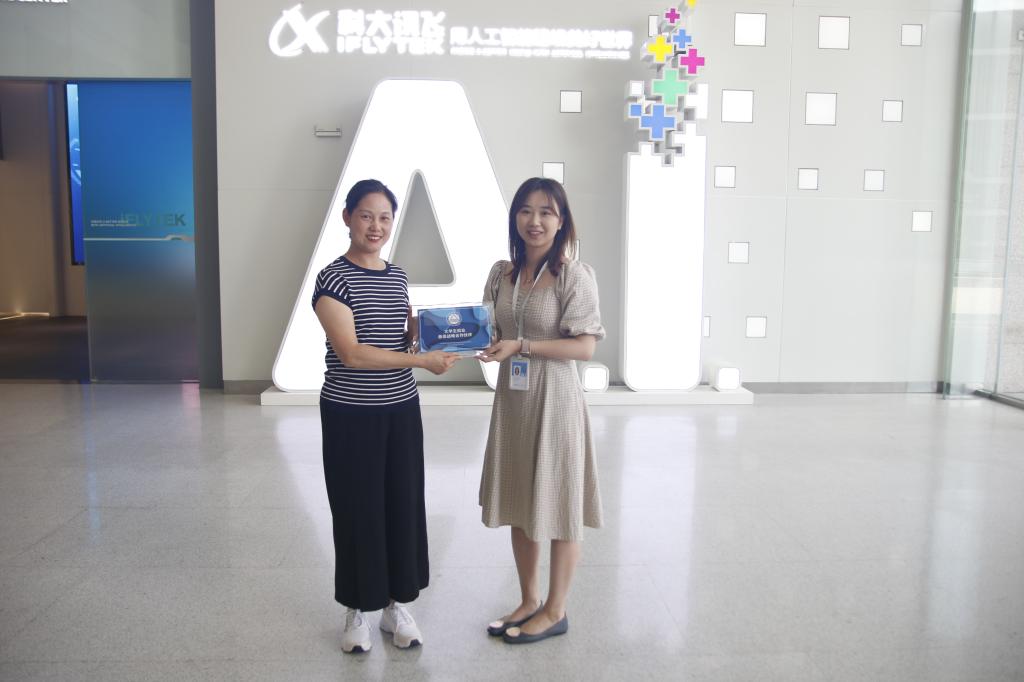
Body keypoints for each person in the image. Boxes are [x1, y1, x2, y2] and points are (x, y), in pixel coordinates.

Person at [313, 178, 459, 654]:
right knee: (358, 509)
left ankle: (397, 604)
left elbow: (397, 338)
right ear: (347, 218)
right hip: (351, 415)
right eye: (366, 216)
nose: (375, 226)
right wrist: (421, 360)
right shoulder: (332, 279)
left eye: (384, 218)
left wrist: (424, 333)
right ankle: (358, 608)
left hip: (400, 410)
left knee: (402, 504)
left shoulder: (396, 276)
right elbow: (352, 353)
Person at [477, 177, 605, 644]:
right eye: (526, 210)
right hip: (514, 402)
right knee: (519, 499)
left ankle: (555, 610)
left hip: (556, 401)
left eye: (546, 212)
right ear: (515, 216)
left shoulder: (573, 275)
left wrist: (523, 345)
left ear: (561, 221)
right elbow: (486, 325)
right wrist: (472, 339)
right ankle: (529, 600)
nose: (535, 221)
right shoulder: (502, 274)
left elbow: (585, 347)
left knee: (560, 501)